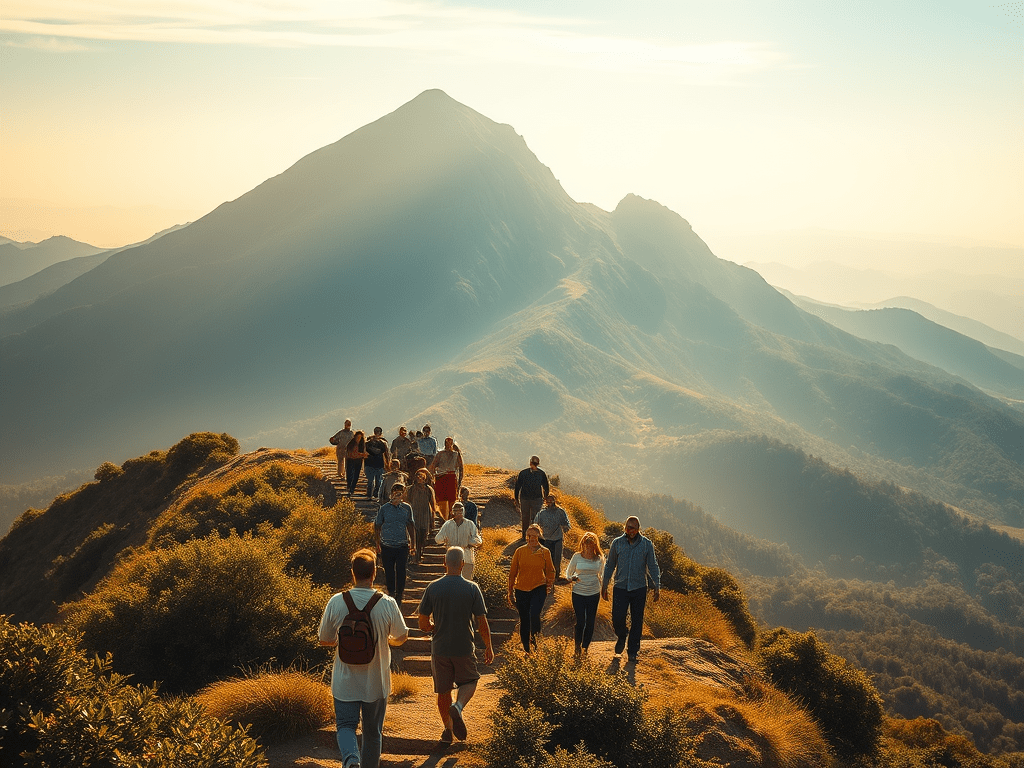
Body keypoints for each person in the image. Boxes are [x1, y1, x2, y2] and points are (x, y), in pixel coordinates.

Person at [318, 548, 408, 768]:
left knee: (346, 726)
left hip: (345, 681)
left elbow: (324, 639)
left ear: (352, 573)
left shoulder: (337, 601)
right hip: (375, 681)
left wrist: (344, 641)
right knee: (373, 733)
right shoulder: (387, 603)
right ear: (375, 572)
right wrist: (388, 642)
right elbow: (402, 635)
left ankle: (351, 759)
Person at [417, 547, 494, 744]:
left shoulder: (432, 588)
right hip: (464, 647)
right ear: (462, 564)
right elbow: (481, 622)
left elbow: (422, 623)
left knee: (443, 691)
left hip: (440, 648)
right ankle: (458, 706)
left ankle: (448, 730)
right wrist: (488, 646)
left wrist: (434, 626)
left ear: (444, 563)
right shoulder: (471, 588)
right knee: (470, 681)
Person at [601, 516, 660, 664]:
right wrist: (604, 584)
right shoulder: (617, 543)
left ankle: (632, 651)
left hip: (639, 587)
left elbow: (653, 566)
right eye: (627, 527)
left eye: (632, 528)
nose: (629, 530)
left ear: (638, 529)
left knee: (637, 620)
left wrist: (657, 586)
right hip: (620, 587)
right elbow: (609, 565)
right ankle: (622, 636)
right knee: (617, 618)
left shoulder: (647, 545)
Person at [507, 523, 555, 654]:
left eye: (534, 535)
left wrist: (548, 584)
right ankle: (526, 648)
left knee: (535, 615)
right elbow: (512, 573)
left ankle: (535, 645)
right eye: (528, 536)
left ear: (539, 535)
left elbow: (551, 571)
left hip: (538, 588)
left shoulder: (545, 552)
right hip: (521, 588)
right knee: (524, 618)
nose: (531, 538)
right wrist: (510, 591)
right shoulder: (520, 551)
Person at [565, 532, 605, 658]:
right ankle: (577, 647)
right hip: (578, 592)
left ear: (595, 545)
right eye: (586, 544)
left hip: (593, 592)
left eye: (591, 545)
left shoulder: (599, 558)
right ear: (582, 544)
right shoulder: (577, 556)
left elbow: (603, 575)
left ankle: (585, 647)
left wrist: (604, 589)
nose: (588, 547)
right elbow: (568, 573)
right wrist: (572, 578)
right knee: (580, 620)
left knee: (590, 621)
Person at [374, 484, 415, 603]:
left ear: (403, 494)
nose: (397, 495)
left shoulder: (407, 508)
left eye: (399, 493)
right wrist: (377, 543)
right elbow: (377, 525)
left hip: (402, 544)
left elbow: (411, 525)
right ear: (391, 493)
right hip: (386, 544)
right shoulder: (384, 508)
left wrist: (413, 544)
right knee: (389, 570)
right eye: (395, 492)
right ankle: (391, 592)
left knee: (401, 569)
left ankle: (400, 593)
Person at [434, 502, 482, 580]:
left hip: (467, 558)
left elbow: (478, 540)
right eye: (456, 511)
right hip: (452, 558)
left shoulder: (470, 524)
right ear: (452, 512)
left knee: (466, 583)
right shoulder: (448, 524)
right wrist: (444, 538)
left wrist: (469, 541)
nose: (458, 513)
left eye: (460, 510)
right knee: (452, 583)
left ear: (463, 511)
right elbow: (437, 539)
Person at [535, 493, 571, 579]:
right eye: (548, 501)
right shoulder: (541, 513)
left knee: (557, 559)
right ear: (545, 502)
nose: (549, 502)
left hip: (557, 538)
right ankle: (545, 576)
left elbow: (567, 524)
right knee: (546, 559)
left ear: (555, 501)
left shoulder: (560, 512)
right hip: (545, 539)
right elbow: (535, 525)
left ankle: (556, 576)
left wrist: (565, 527)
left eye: (551, 500)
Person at [514, 456, 549, 540]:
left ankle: (528, 535)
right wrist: (545, 497)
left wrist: (516, 498)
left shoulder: (524, 473)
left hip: (528, 498)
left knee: (527, 517)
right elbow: (546, 487)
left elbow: (517, 487)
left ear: (530, 463)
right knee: (533, 518)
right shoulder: (541, 473)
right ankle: (531, 535)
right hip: (534, 499)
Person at [430, 436, 464, 521]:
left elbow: (461, 468)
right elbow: (433, 466)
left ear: (452, 444)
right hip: (441, 478)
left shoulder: (456, 455)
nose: (448, 445)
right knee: (441, 500)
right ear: (444, 444)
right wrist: (433, 477)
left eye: (450, 443)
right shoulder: (440, 454)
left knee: (452, 499)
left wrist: (459, 481)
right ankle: (443, 518)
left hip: (451, 478)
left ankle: (451, 517)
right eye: (446, 443)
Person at [406, 469, 437, 563]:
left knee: (423, 536)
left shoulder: (428, 489)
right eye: (418, 476)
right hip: (414, 514)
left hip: (425, 515)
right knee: (414, 536)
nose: (420, 478)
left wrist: (432, 518)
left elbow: (432, 504)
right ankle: (415, 556)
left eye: (422, 477)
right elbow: (407, 501)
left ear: (425, 479)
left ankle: (420, 554)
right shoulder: (411, 489)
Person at [364, 427, 392, 501]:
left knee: (373, 481)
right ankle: (375, 496)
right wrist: (388, 464)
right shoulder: (383, 443)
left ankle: (370, 496)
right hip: (378, 464)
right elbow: (387, 454)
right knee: (377, 481)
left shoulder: (368, 442)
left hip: (371, 464)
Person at [345, 431, 369, 496]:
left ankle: (352, 488)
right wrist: (363, 455)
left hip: (358, 461)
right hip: (351, 460)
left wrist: (363, 455)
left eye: (360, 437)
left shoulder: (362, 444)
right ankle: (349, 487)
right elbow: (352, 453)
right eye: (357, 437)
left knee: (356, 475)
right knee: (350, 474)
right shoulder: (351, 444)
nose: (358, 438)